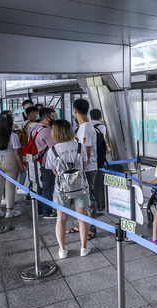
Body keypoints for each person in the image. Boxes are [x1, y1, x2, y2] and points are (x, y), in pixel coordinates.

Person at [46, 120, 91, 259]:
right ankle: (83, 247)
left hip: (61, 190)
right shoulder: (79, 146)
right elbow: (84, 167)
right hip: (80, 187)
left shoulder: (52, 150)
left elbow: (54, 172)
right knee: (82, 218)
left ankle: (62, 250)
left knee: (61, 219)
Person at [0, 113, 25, 218]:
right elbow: (17, 151)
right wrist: (21, 165)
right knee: (10, 187)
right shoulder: (13, 135)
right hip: (11, 160)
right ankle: (10, 210)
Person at [70, 98, 97, 240]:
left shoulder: (86, 127)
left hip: (87, 169)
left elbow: (86, 151)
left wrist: (82, 169)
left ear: (75, 110)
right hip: (83, 168)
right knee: (82, 198)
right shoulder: (83, 127)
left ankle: (91, 227)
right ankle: (82, 224)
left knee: (89, 198)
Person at [34, 107, 58, 219]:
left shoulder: (36, 128)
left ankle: (40, 209)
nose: (55, 119)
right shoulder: (46, 130)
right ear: (46, 118)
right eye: (53, 117)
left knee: (40, 187)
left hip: (37, 162)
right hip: (46, 163)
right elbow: (54, 147)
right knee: (48, 187)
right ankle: (47, 212)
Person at [89, 108, 110, 213]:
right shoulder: (102, 127)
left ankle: (92, 204)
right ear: (101, 117)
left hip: (89, 159)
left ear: (90, 117)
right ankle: (100, 204)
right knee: (99, 181)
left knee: (90, 183)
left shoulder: (86, 127)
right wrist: (107, 149)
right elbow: (103, 141)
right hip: (99, 158)